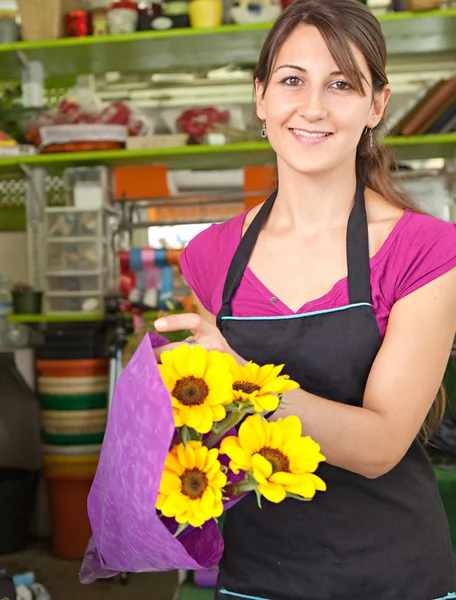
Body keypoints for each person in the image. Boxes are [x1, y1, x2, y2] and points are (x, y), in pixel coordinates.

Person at [153, 0, 456, 597]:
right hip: (251, 575)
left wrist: (241, 380)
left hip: (391, 577)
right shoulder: (212, 256)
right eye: (292, 80)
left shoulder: (424, 249)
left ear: (376, 106)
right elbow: (210, 431)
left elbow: (379, 446)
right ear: (261, 97)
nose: (312, 107)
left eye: (341, 84)